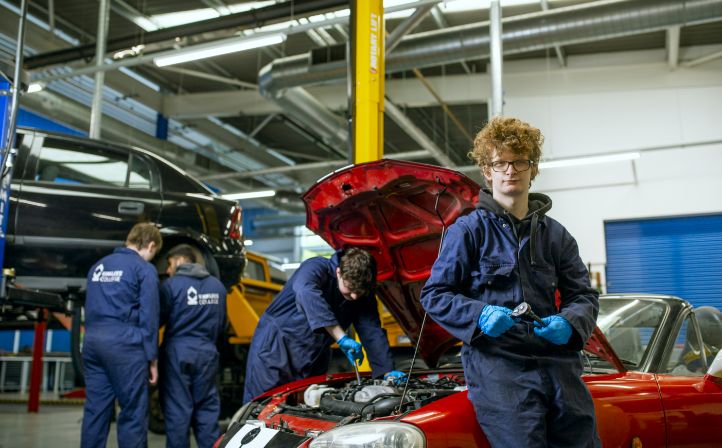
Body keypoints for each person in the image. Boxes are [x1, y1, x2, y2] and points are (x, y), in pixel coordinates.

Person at [420, 116, 601, 448]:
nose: (510, 170)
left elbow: (585, 295)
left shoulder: (556, 235)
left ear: (533, 169)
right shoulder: (468, 231)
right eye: (500, 162)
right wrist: (479, 316)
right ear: (487, 172)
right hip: (499, 368)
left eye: (520, 161)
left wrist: (570, 322)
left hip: (559, 364)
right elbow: (435, 294)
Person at [243, 248, 405, 403]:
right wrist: (341, 337)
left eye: (360, 292)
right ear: (338, 273)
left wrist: (386, 372)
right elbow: (306, 292)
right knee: (264, 404)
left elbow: (372, 333)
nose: (355, 296)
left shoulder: (362, 293)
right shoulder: (315, 268)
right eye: (349, 291)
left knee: (309, 407)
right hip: (277, 347)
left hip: (315, 355)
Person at [81, 222, 162, 448]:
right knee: (133, 412)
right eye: (154, 253)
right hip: (125, 345)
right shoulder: (143, 269)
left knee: (95, 411)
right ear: (151, 245)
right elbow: (149, 316)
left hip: (93, 342)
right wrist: (152, 359)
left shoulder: (98, 266)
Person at [159, 244, 227, 448]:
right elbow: (223, 325)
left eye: (170, 264)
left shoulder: (171, 286)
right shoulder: (218, 287)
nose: (168, 270)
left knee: (178, 412)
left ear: (180, 261)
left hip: (177, 353)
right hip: (207, 353)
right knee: (207, 411)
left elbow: (159, 320)